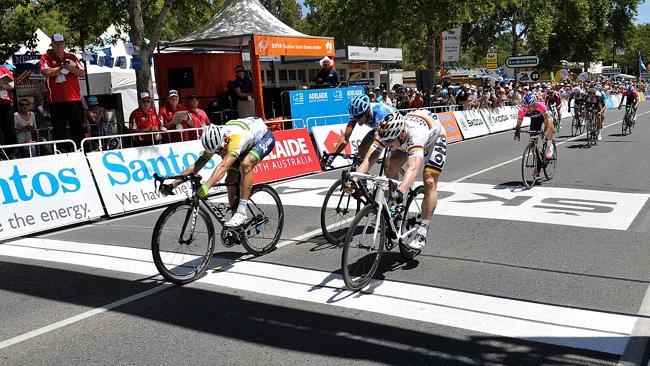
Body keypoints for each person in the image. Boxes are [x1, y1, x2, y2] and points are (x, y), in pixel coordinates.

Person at [355, 110, 448, 250]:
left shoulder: (416, 135)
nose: (385, 144)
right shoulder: (387, 133)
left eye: (389, 142)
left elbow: (413, 169)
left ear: (402, 134)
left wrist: (400, 191)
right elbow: (369, 159)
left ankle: (422, 230)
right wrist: (354, 178)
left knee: (429, 180)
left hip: (434, 139)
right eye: (384, 141)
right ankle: (394, 208)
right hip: (404, 140)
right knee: (390, 165)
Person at [159, 117, 275, 227]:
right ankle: (235, 215)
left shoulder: (235, 139)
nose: (219, 153)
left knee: (245, 164)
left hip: (263, 137)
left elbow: (223, 166)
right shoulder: (215, 141)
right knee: (230, 179)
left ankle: (241, 212)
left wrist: (207, 186)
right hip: (243, 142)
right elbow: (197, 165)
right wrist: (172, 185)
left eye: (219, 150)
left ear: (224, 140)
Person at [39, 33, 85, 150]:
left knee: (78, 128)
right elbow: (45, 72)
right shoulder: (46, 57)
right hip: (56, 100)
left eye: (61, 44)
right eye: (56, 44)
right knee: (59, 129)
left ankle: (81, 151)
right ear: (52, 45)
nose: (59, 46)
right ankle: (61, 152)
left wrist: (70, 68)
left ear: (64, 44)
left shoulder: (72, 57)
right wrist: (61, 68)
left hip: (74, 98)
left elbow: (82, 73)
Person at [325, 94, 396, 167]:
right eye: (355, 117)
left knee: (388, 165)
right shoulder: (358, 113)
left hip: (394, 128)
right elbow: (344, 139)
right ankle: (362, 176)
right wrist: (331, 157)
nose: (357, 120)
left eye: (359, 117)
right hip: (378, 128)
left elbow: (377, 139)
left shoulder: (379, 113)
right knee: (362, 148)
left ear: (367, 111)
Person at [514, 92, 555, 159]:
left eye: (530, 106)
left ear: (534, 104)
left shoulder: (540, 105)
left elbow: (549, 120)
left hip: (543, 116)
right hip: (534, 120)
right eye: (526, 107)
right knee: (533, 140)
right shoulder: (522, 110)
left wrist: (548, 130)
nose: (528, 109)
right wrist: (517, 131)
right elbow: (518, 124)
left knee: (550, 126)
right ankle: (537, 162)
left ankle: (549, 146)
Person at [0, 64, 17, 155]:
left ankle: (12, 153)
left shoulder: (4, 70)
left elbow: (12, 85)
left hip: (6, 105)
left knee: (9, 129)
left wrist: (2, 86)